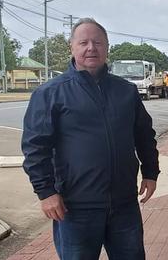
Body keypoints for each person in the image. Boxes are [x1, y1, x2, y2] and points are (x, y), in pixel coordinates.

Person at [21, 18, 159, 260]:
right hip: (75, 208)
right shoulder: (50, 93)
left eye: (97, 42)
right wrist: (45, 192)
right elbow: (35, 148)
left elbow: (144, 135)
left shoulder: (126, 91)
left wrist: (150, 171)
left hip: (124, 204)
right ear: (72, 47)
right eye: (83, 42)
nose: (91, 48)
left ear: (107, 47)